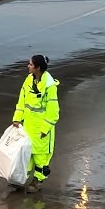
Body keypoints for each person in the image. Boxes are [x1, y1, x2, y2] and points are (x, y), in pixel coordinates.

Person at [12, 54, 60, 193]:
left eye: (31, 64)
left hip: (41, 130)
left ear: (38, 68)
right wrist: (17, 118)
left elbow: (53, 111)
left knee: (40, 157)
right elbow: (22, 101)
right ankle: (21, 179)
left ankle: (38, 181)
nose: (28, 66)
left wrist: (45, 129)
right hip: (28, 126)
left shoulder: (49, 86)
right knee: (26, 154)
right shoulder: (28, 80)